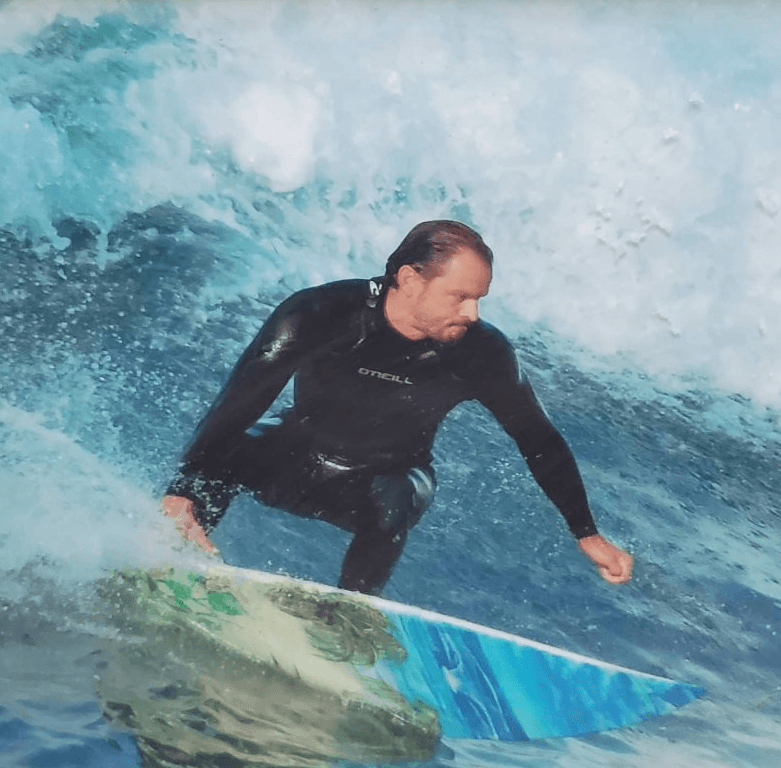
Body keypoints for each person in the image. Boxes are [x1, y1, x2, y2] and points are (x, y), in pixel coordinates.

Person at [163, 220, 633, 595]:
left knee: (392, 500)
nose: (473, 314)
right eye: (461, 296)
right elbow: (243, 398)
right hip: (293, 454)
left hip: (385, 477)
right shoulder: (320, 313)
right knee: (228, 452)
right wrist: (183, 488)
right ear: (410, 278)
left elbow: (538, 439)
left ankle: (348, 614)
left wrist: (585, 532)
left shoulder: (481, 353)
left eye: (480, 299)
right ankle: (178, 554)